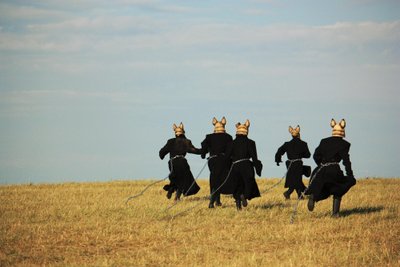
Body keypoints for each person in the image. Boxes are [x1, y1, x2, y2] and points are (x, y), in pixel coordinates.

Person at [305, 119, 356, 217]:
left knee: (324, 189)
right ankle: (335, 213)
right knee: (339, 189)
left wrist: (321, 164)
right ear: (343, 132)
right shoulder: (344, 144)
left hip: (319, 170)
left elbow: (316, 155)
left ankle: (314, 197)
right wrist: (350, 174)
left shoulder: (324, 141)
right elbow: (346, 161)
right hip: (333, 170)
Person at [225, 119, 262, 210]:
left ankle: (238, 206)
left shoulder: (231, 143)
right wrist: (258, 167)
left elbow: (227, 157)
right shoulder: (251, 143)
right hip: (247, 165)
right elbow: (254, 157)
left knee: (237, 185)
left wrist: (227, 168)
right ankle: (244, 196)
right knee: (248, 183)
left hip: (235, 166)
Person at [159, 122, 202, 201]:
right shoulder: (186, 141)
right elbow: (193, 150)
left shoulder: (170, 141)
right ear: (183, 132)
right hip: (182, 162)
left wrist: (161, 156)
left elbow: (163, 151)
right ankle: (177, 196)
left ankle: (171, 190)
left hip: (172, 162)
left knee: (175, 178)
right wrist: (203, 151)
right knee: (184, 179)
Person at [200, 117, 233, 208]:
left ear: (214, 125)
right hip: (224, 160)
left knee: (214, 178)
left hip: (213, 161)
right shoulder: (228, 137)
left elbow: (203, 146)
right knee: (223, 178)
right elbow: (231, 149)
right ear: (224, 125)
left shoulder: (209, 137)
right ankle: (217, 200)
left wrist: (203, 154)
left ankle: (214, 201)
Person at [275, 125, 311, 200]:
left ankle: (299, 196)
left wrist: (278, 160)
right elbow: (308, 155)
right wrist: (300, 155)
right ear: (298, 134)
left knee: (295, 180)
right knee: (297, 180)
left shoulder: (287, 144)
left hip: (290, 164)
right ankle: (288, 193)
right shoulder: (303, 144)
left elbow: (279, 152)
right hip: (298, 164)